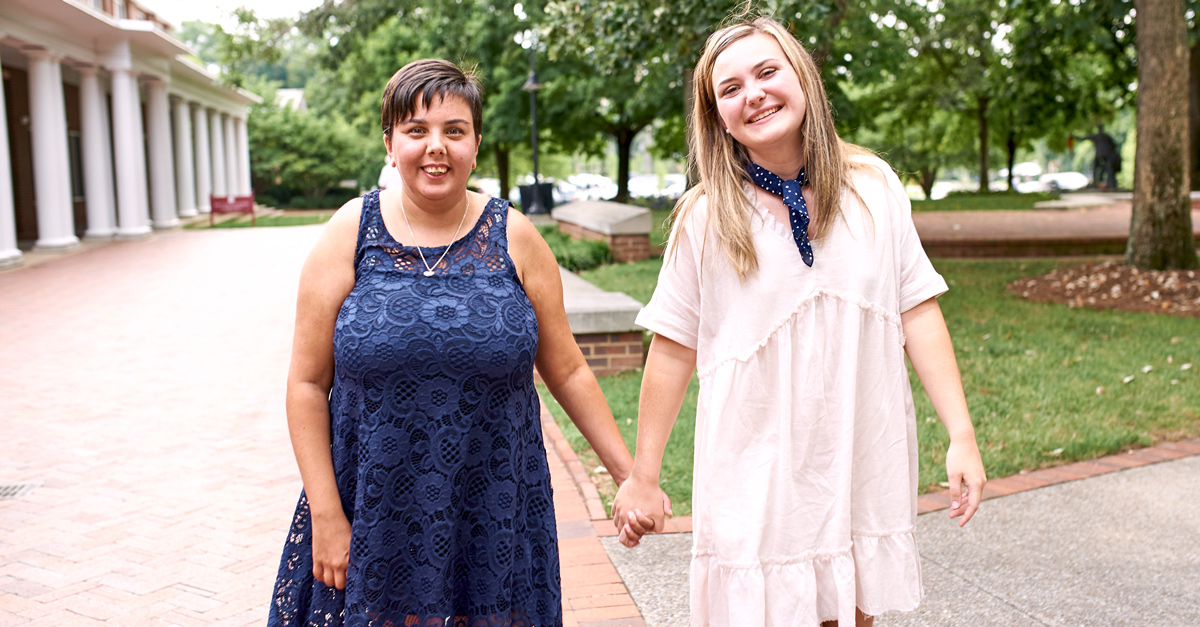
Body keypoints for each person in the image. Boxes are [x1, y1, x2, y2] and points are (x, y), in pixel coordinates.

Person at [611, 17, 987, 627]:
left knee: (854, 607)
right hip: (757, 475)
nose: (752, 93)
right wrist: (643, 475)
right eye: (729, 89)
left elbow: (916, 307)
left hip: (857, 454)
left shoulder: (875, 188)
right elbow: (673, 347)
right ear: (718, 116)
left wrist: (961, 434)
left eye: (766, 72)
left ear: (803, 78)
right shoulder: (705, 219)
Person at [266, 58, 660, 626]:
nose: (436, 147)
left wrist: (632, 478)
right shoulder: (351, 232)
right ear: (389, 142)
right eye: (416, 130)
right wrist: (328, 514)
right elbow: (306, 383)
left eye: (454, 131)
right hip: (373, 510)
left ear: (475, 145)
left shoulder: (515, 236)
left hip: (494, 508)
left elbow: (568, 370)